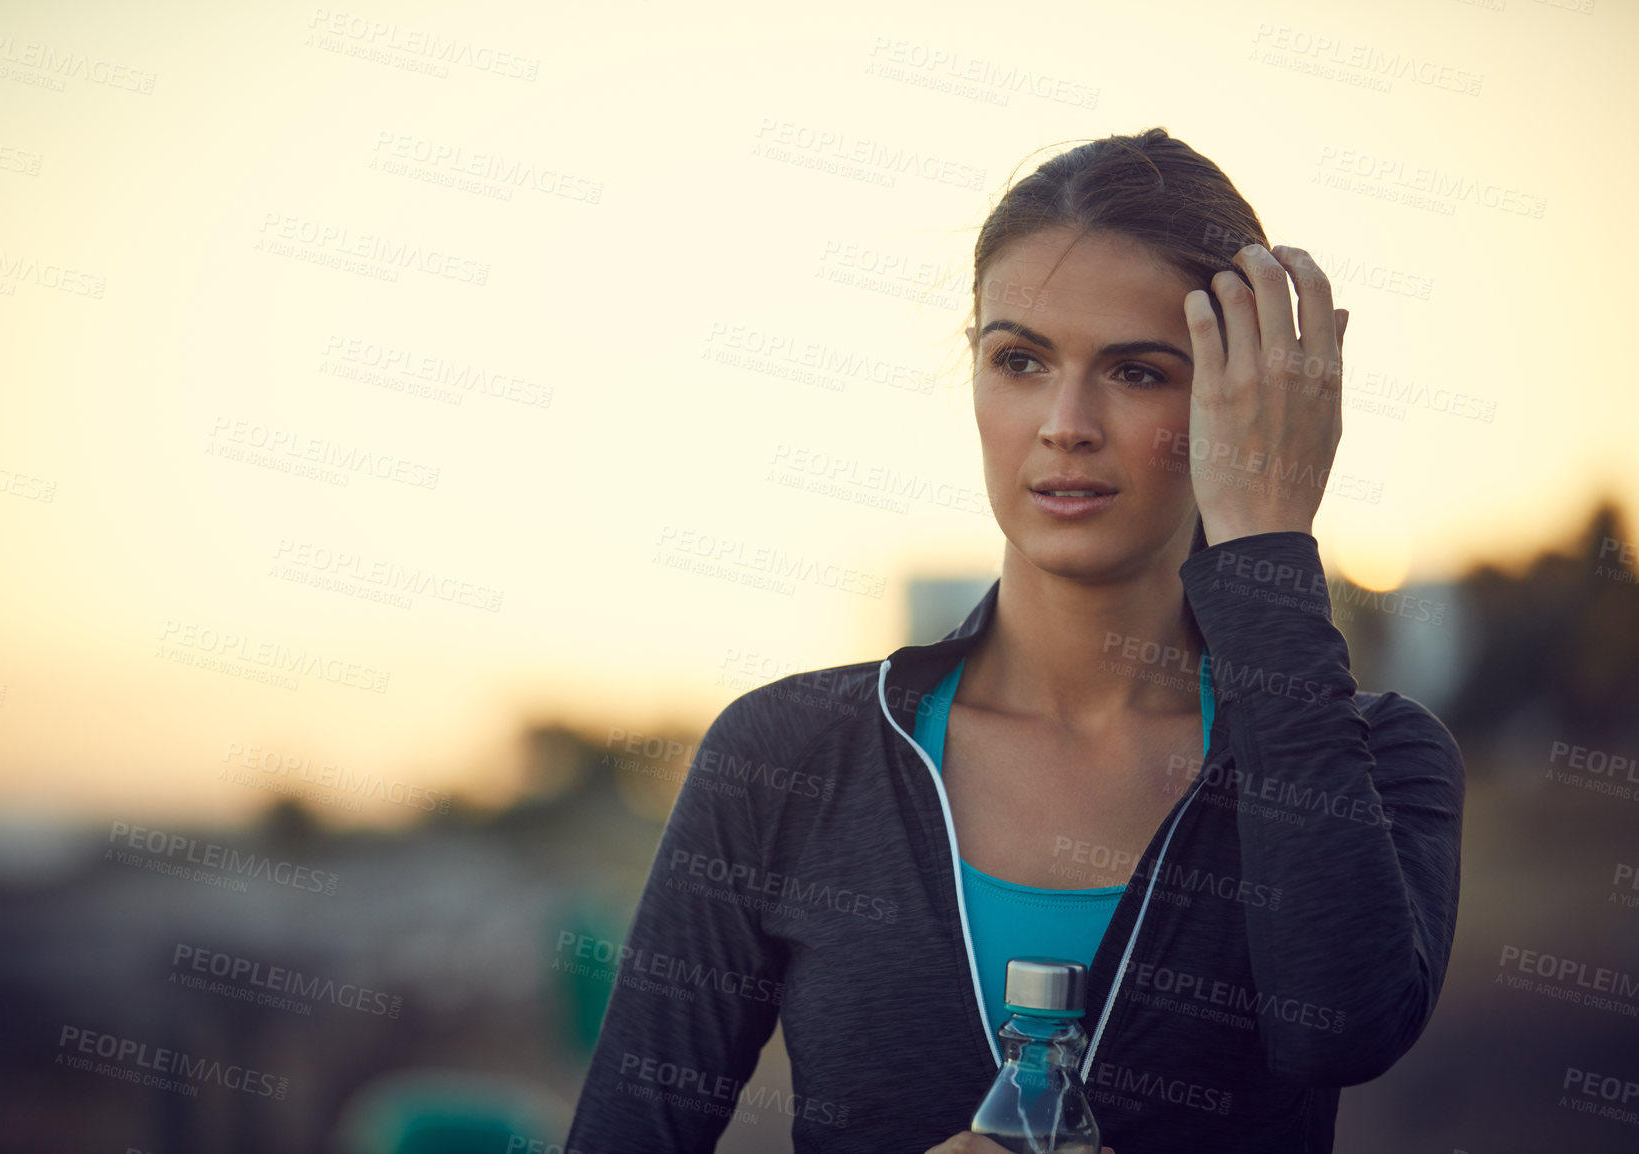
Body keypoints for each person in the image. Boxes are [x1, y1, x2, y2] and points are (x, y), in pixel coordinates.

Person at [564, 127, 1465, 1154]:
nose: (1065, 422)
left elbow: (1338, 1026)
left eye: (1136, 372)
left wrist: (1266, 542)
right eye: (1020, 359)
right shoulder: (784, 757)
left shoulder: (1381, 760)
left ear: (1238, 403)